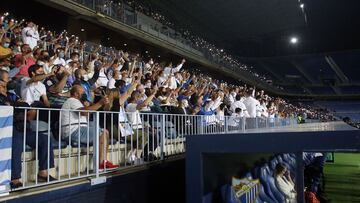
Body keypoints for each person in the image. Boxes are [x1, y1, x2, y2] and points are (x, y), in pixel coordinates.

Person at [61, 85, 118, 169]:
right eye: (83, 92)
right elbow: (84, 112)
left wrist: (92, 105)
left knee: (105, 132)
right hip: (73, 131)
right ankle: (101, 163)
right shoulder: (72, 100)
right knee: (102, 132)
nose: (85, 94)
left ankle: (104, 161)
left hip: (79, 129)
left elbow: (87, 112)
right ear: (76, 94)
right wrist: (100, 103)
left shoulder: (78, 103)